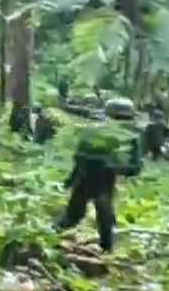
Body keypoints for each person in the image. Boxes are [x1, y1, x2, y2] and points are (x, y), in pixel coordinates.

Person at [55, 98, 143, 252]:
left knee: (78, 212)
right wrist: (121, 168)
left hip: (88, 175)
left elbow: (80, 156)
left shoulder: (95, 130)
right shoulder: (129, 134)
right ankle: (105, 248)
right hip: (103, 177)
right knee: (103, 214)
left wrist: (72, 178)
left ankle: (55, 234)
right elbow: (135, 165)